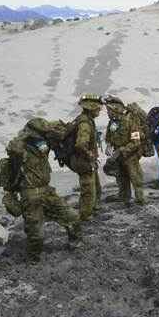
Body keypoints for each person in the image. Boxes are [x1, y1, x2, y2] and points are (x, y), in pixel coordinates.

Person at [0, 119, 81, 263]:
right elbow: (13, 149)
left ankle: (76, 243)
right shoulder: (19, 148)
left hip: (47, 191)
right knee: (36, 234)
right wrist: (24, 135)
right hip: (30, 195)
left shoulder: (42, 145)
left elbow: (60, 132)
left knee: (72, 216)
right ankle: (33, 259)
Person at [103, 94, 146, 205]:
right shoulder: (112, 123)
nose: (108, 113)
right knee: (121, 177)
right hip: (119, 156)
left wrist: (122, 150)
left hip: (130, 155)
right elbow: (109, 137)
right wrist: (109, 145)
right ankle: (124, 196)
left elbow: (136, 142)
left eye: (109, 111)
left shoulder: (130, 122)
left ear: (116, 110)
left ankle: (140, 199)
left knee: (135, 177)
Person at [72, 93, 103, 221]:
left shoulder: (87, 120)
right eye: (97, 109)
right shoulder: (85, 123)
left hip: (87, 161)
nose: (99, 111)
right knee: (88, 190)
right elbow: (80, 144)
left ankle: (93, 208)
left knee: (96, 187)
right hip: (83, 162)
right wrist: (89, 154)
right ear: (91, 108)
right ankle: (85, 216)